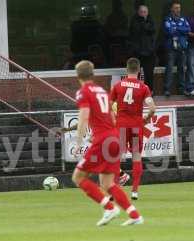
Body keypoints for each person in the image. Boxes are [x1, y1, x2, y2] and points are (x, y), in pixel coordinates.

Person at [71, 60, 144, 227]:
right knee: (107, 183)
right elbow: (111, 115)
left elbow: (83, 117)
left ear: (78, 76)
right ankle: (134, 215)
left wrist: (79, 141)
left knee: (78, 176)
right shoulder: (102, 91)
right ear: (93, 74)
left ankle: (109, 207)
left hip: (103, 139)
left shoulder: (84, 92)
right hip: (114, 137)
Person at [110, 58, 156, 200]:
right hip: (136, 125)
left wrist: (114, 119)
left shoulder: (118, 86)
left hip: (122, 125)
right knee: (136, 156)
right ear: (139, 70)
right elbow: (152, 108)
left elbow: (109, 105)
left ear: (126, 69)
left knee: (115, 158)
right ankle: (135, 191)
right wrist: (146, 119)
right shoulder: (143, 87)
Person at [163, 1, 190, 96]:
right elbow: (169, 31)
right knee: (169, 69)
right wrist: (180, 29)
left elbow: (187, 30)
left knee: (182, 69)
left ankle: (181, 89)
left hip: (182, 48)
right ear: (171, 9)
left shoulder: (183, 18)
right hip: (171, 49)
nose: (177, 10)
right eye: (175, 8)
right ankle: (167, 89)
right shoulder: (167, 19)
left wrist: (176, 28)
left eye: (179, 8)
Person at [129, 5, 156, 92]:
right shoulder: (134, 21)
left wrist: (144, 23)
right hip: (137, 52)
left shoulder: (151, 21)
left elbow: (152, 29)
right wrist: (143, 23)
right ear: (138, 12)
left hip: (149, 52)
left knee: (149, 74)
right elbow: (136, 30)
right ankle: (135, 92)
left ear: (148, 13)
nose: (143, 14)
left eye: (145, 12)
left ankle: (149, 91)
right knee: (135, 73)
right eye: (141, 12)